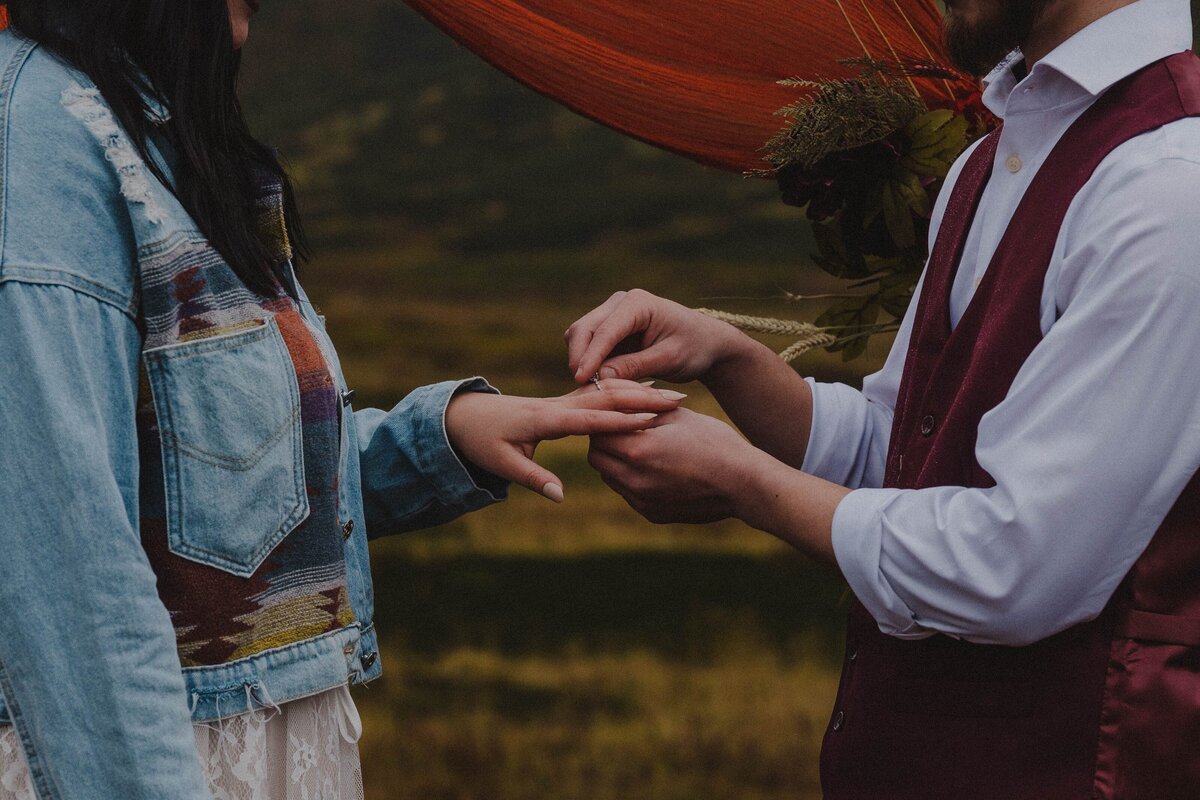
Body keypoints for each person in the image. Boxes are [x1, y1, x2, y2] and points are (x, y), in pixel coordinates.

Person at [0, 0, 684, 797]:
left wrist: (442, 438)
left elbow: (211, 480)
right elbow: (68, 580)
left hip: (266, 748)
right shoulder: (36, 148)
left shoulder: (150, 134)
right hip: (170, 759)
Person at [568, 0, 1200, 796]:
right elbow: (902, 455)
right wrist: (731, 360)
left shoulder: (1172, 189)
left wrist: (743, 484)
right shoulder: (989, 164)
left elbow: (1015, 563)